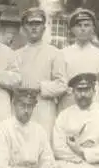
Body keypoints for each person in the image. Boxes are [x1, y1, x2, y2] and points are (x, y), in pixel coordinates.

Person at [15, 7, 67, 140]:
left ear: (44, 27)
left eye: (37, 24)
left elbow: (62, 84)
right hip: (20, 106)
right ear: (24, 28)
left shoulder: (55, 53)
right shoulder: (16, 54)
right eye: (30, 24)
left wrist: (40, 87)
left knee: (42, 145)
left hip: (43, 107)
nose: (34, 28)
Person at [57, 8, 99, 113]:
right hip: (68, 105)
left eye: (87, 25)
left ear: (93, 29)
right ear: (72, 29)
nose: (83, 29)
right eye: (79, 25)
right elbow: (60, 84)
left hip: (93, 107)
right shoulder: (62, 54)